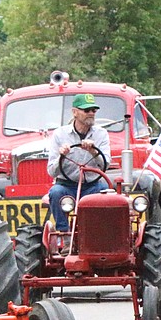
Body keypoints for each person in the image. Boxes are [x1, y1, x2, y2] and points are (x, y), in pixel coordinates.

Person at [46, 93, 111, 232]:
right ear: (75, 112)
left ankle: (98, 233)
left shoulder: (101, 134)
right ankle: (64, 234)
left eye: (93, 111)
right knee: (55, 192)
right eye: (86, 110)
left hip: (92, 185)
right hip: (66, 185)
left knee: (106, 193)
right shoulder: (60, 134)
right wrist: (62, 156)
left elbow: (105, 165)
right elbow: (51, 171)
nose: (91, 114)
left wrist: (94, 152)